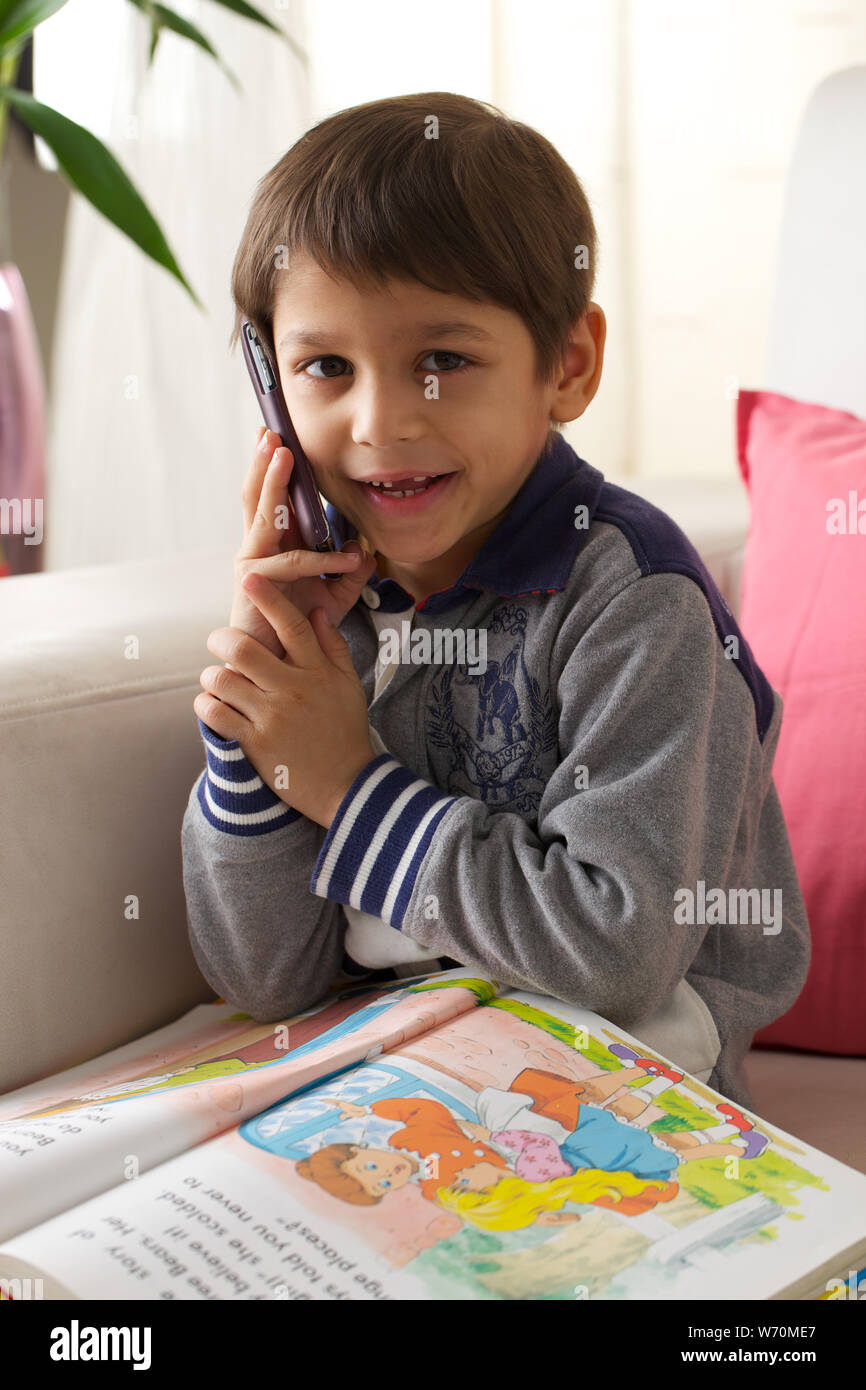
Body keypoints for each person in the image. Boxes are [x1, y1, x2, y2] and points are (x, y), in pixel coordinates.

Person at [181, 91, 809, 1108]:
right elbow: (263, 979)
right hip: (392, 1070)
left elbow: (615, 954)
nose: (379, 421)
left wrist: (344, 781)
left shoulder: (634, 603)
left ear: (565, 365)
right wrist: (257, 723)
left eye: (441, 361)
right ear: (270, 390)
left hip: (627, 1082)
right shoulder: (326, 602)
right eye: (323, 367)